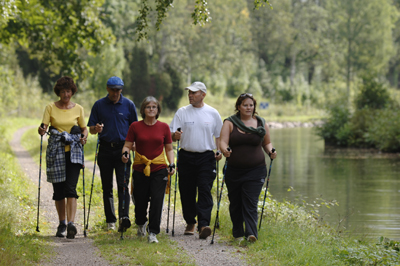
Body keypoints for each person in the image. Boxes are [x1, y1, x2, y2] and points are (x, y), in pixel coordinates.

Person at [219, 93, 277, 242]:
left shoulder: (261, 123)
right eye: (245, 105)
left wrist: (271, 151)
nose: (248, 107)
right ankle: (238, 233)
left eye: (251, 105)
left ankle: (251, 234)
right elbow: (223, 142)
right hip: (234, 170)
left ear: (254, 107)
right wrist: (225, 150)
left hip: (256, 170)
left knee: (250, 201)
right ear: (238, 106)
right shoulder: (230, 122)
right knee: (236, 203)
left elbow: (266, 143)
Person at [170, 81, 223, 239]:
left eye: (194, 93)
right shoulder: (182, 112)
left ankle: (203, 224)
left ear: (203, 94)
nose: (190, 95)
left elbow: (219, 136)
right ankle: (190, 222)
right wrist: (175, 136)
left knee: (205, 189)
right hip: (186, 155)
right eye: (189, 93)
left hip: (206, 157)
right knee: (187, 191)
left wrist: (219, 150)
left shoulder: (213, 113)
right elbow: (172, 135)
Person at [38, 76, 88, 239]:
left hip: (73, 150)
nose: (66, 94)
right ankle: (61, 223)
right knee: (59, 190)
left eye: (68, 91)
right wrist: (41, 130)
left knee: (70, 188)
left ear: (72, 92)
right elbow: (44, 126)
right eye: (62, 91)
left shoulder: (78, 108)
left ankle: (71, 224)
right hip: (56, 150)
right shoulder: (50, 107)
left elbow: (84, 129)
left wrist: (83, 138)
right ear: (58, 92)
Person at [87, 76, 138, 232]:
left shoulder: (129, 105)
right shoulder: (99, 105)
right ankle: (111, 221)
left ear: (121, 90)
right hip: (105, 148)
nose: (116, 93)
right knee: (107, 186)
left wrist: (134, 144)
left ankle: (124, 218)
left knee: (123, 185)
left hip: (123, 148)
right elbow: (91, 130)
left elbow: (135, 127)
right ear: (108, 89)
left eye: (118, 90)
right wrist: (96, 129)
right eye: (113, 90)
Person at [122, 96, 175, 243]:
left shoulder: (164, 127)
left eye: (154, 107)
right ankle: (141, 223)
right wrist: (125, 154)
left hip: (159, 168)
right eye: (148, 107)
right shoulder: (135, 126)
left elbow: (169, 149)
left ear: (158, 110)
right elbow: (127, 145)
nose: (151, 109)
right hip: (140, 168)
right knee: (140, 201)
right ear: (143, 110)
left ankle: (153, 232)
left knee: (157, 200)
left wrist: (171, 163)